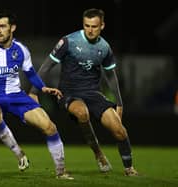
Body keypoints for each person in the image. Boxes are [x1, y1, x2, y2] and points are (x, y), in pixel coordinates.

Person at [0, 9, 73, 180]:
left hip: (16, 96)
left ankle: (61, 172)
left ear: (13, 28)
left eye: (2, 26)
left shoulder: (22, 50)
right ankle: (19, 154)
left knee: (50, 127)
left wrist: (42, 88)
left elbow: (31, 73)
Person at [29, 8, 138, 176]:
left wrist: (120, 103)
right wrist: (34, 91)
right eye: (87, 25)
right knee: (82, 113)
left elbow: (111, 75)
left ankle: (129, 168)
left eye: (94, 26)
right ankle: (98, 154)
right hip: (69, 92)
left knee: (119, 129)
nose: (90, 30)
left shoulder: (105, 47)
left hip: (93, 93)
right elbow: (46, 66)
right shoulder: (69, 41)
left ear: (102, 25)